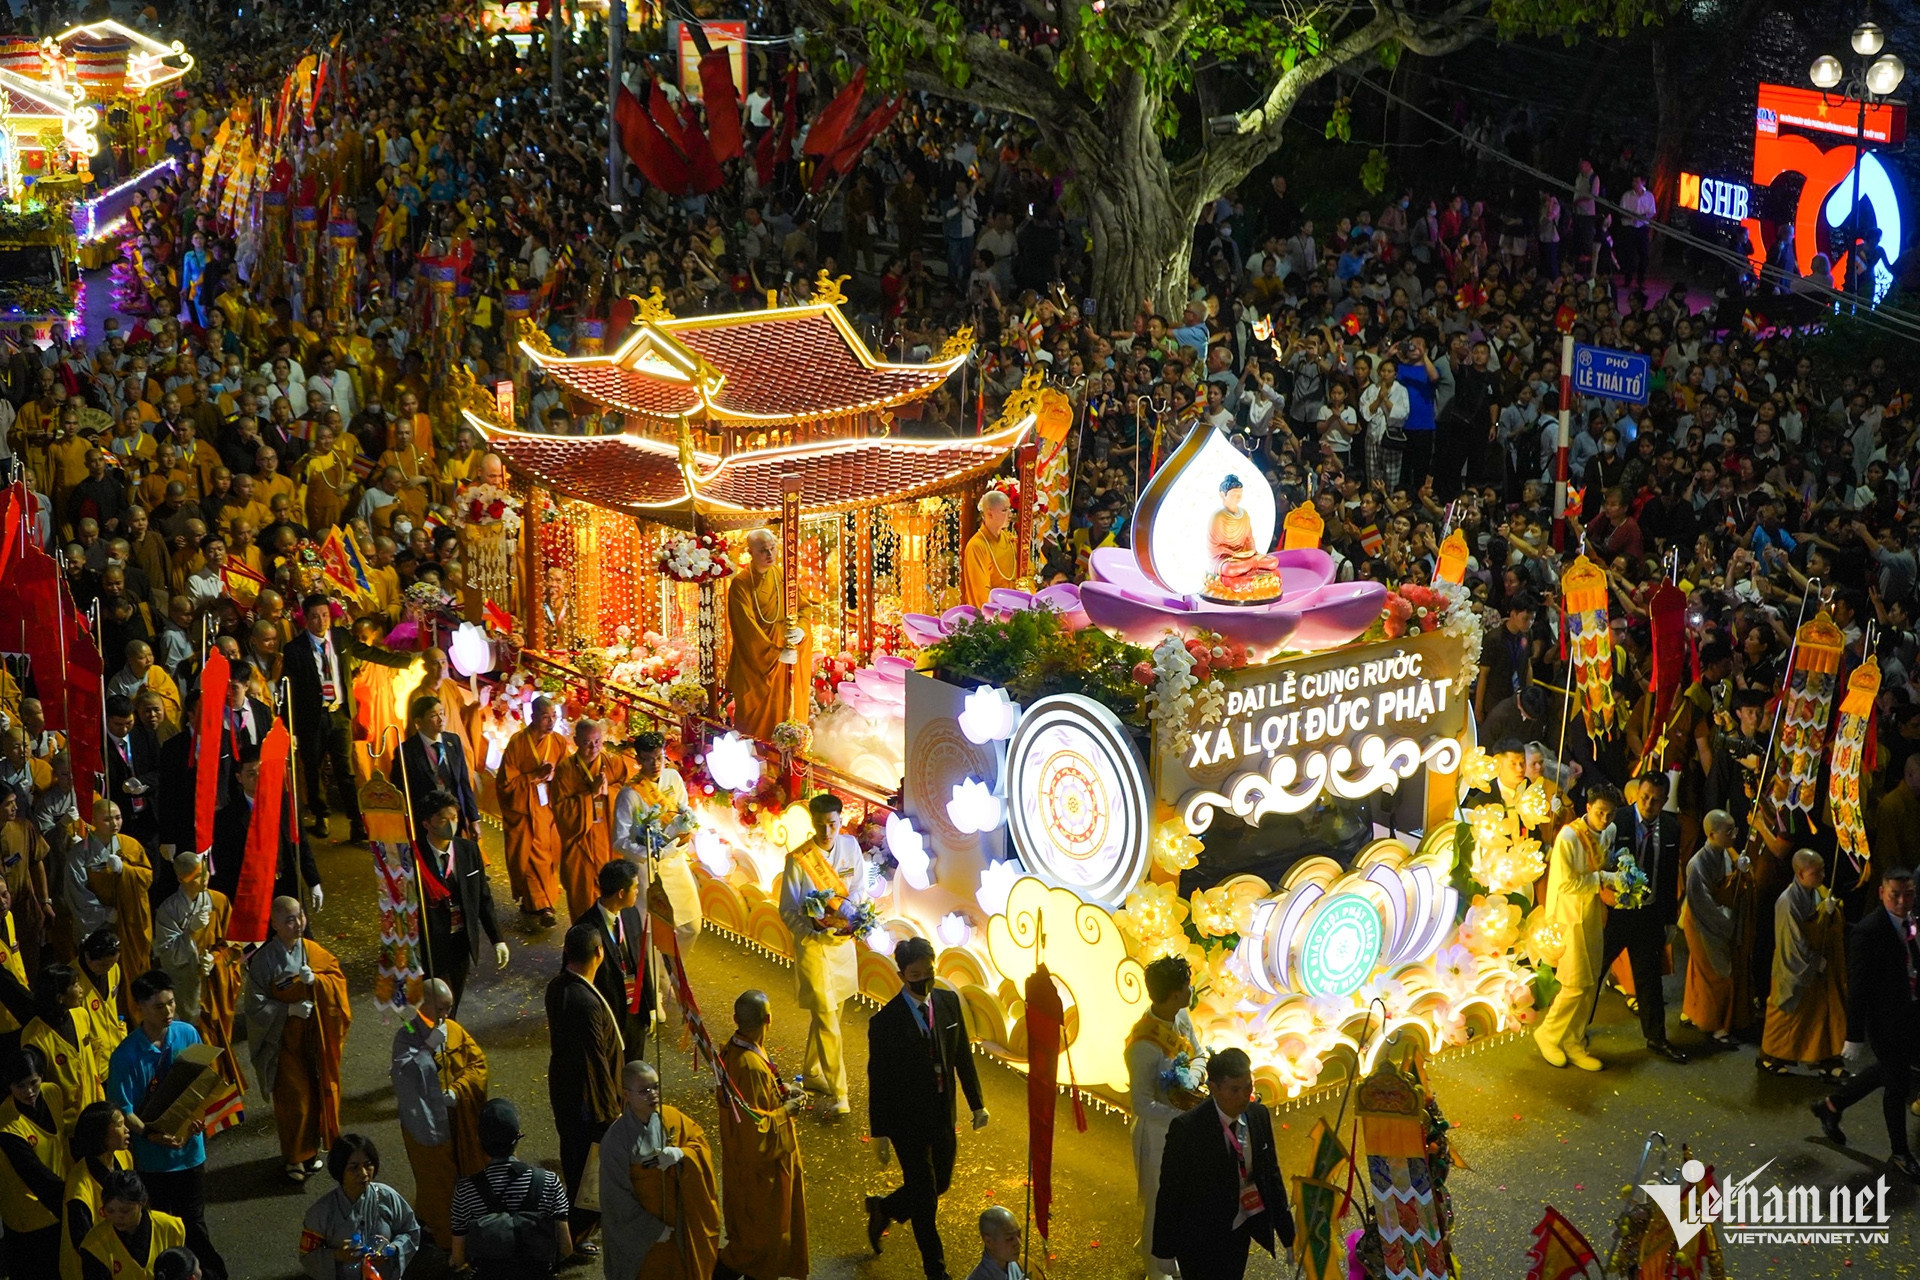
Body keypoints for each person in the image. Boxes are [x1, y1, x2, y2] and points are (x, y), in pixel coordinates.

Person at [865, 936, 987, 1280]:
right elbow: (880, 1080)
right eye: (915, 974)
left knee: (940, 1183)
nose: (923, 980)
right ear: (903, 974)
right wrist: (881, 1133)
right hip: (907, 1124)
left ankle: (884, 1207)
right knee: (925, 1198)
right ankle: (936, 1272)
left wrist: (977, 1104)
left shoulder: (948, 1003)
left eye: (928, 971)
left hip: (942, 1116)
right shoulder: (885, 1023)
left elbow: (962, 1055)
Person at [104, 971, 223, 1280]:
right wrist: (152, 1135)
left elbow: (200, 1083)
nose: (169, 1012)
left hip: (190, 1154)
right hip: (154, 1162)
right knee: (162, 1226)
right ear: (140, 1007)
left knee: (194, 1224)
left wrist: (197, 1117)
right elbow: (123, 1110)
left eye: (171, 1003)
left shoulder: (187, 1034)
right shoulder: (125, 1057)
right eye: (159, 1006)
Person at [1811, 867, 1920, 1178]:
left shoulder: (1910, 921)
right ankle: (1900, 1152)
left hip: (1910, 1012)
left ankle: (1831, 1105)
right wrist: (1854, 1035)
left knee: (1886, 1071)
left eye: (1908, 894)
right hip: (1885, 1019)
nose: (1902, 901)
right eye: (1895, 895)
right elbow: (1857, 987)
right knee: (1897, 1085)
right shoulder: (1868, 931)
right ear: (1881, 893)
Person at [1150, 1047, 1292, 1280]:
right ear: (1214, 1087)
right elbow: (1170, 1192)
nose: (1244, 1096)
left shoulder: (1258, 1116)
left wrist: (1288, 1234)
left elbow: (1270, 1175)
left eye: (1248, 1087)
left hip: (1240, 1229)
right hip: (1199, 1238)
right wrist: (1164, 1250)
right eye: (1234, 1090)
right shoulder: (1188, 1129)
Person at [283, 593, 413, 843]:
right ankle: (322, 816)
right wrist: (291, 726)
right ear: (305, 620)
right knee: (313, 768)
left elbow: (370, 653)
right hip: (313, 717)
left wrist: (405, 662)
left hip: (340, 714)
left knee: (346, 770)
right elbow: (290, 689)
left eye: (324, 615)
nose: (321, 621)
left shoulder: (341, 637)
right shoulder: (295, 649)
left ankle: (357, 822)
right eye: (314, 617)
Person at [244, 896, 352, 1182]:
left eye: (300, 916)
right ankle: (293, 1157)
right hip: (283, 1043)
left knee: (317, 1096)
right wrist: (287, 1009)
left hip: (314, 1039)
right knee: (296, 1102)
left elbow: (337, 979)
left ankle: (310, 1152)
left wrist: (317, 981)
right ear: (275, 924)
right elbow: (254, 1006)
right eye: (289, 919)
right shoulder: (264, 961)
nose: (298, 924)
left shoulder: (313, 951)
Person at [780, 792, 870, 1115]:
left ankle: (813, 1071)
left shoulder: (850, 847)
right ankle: (840, 1093)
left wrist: (846, 909)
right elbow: (787, 909)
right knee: (828, 1017)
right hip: (814, 948)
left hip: (842, 945)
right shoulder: (798, 860)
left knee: (830, 1012)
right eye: (820, 826)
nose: (827, 833)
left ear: (840, 820)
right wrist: (811, 930)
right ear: (812, 824)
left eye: (832, 825)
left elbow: (859, 887)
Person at [713, 989, 808, 1280]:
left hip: (744, 1166)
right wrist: (786, 1112)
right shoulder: (749, 1066)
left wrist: (781, 1092)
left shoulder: (735, 1050)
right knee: (755, 1246)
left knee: (755, 1243)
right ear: (769, 1019)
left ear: (735, 1019)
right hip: (759, 1175)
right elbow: (754, 1130)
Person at [390, 977, 489, 1251]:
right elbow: (403, 1075)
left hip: (459, 1120)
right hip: (427, 1125)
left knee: (466, 1178)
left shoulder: (453, 1029)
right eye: (442, 1008)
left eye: (449, 1008)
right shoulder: (408, 1030)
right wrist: (428, 1049)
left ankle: (463, 1229)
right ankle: (448, 1242)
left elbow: (477, 1063)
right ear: (425, 1004)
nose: (446, 1015)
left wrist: (458, 1091)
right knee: (439, 1186)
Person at [599, 1059, 720, 1280]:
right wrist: (652, 1231)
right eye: (644, 1091)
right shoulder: (616, 1140)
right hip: (644, 1236)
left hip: (679, 1225)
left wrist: (682, 1155)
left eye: (655, 1087)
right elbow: (615, 1198)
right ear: (626, 1094)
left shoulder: (671, 1117)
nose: (653, 1095)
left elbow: (699, 1144)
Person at [1598, 772, 1689, 1063]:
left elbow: (1668, 875)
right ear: (1637, 792)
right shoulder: (1619, 820)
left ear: (1664, 801)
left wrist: (1669, 919)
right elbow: (1599, 861)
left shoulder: (1672, 828)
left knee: (1650, 979)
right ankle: (1573, 1031)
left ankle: (1656, 1038)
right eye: (1645, 796)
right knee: (1594, 970)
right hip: (1617, 912)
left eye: (1656, 800)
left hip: (1648, 913)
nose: (1649, 803)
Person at [546, 921, 623, 1245]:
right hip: (587, 1101)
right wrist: (610, 1113)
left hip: (565, 1089)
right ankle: (574, 1237)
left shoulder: (558, 987)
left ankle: (577, 1230)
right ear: (599, 953)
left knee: (575, 1161)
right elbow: (595, 1061)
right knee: (587, 1172)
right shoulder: (586, 1001)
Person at [1535, 785, 1619, 1071]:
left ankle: (1574, 1039)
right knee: (1574, 983)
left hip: (1594, 911)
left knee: (1592, 981)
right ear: (1588, 807)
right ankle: (1548, 1033)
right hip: (1569, 916)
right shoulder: (1569, 837)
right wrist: (1604, 878)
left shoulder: (1610, 831)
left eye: (1610, 814)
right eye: (1600, 813)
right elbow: (1565, 884)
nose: (1604, 820)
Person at [151, 853, 245, 1105]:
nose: (204, 880)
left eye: (205, 873)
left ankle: (221, 1104)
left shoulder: (218, 901)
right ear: (182, 878)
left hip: (215, 986)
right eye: (197, 876)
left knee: (218, 1040)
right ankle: (200, 1104)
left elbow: (233, 946)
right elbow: (168, 955)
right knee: (196, 1043)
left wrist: (214, 960)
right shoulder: (169, 911)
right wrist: (189, 933)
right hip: (187, 989)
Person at [1127, 955, 1198, 1280]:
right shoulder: (1142, 1045)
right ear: (1172, 994)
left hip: (1182, 1125)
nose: (1190, 990)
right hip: (1157, 1134)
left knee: (1181, 1201)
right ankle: (1155, 1271)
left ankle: (1169, 1255)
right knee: (1158, 1205)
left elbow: (1197, 1054)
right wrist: (1181, 1116)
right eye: (1185, 986)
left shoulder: (1181, 1015)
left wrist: (1198, 1087)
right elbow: (1141, 1104)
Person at [410, 789, 508, 1014]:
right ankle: (436, 1040)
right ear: (427, 823)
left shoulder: (468, 850)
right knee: (437, 1002)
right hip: (431, 941)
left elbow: (483, 897)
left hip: (461, 940)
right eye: (443, 819)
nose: (451, 825)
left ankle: (447, 1035)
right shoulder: (414, 856)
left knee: (452, 1002)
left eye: (454, 818)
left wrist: (497, 939)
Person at [449, 1098, 571, 1280]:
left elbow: (459, 1259)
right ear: (519, 1136)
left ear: (479, 1140)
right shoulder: (549, 1182)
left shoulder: (466, 1190)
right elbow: (565, 1248)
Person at [613, 731, 700, 956]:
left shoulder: (673, 778)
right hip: (647, 869)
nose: (656, 764)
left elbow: (682, 809)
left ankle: (674, 972)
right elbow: (620, 841)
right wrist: (650, 852)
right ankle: (658, 985)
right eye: (649, 759)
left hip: (675, 861)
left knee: (691, 925)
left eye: (659, 757)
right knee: (650, 936)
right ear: (638, 759)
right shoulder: (629, 795)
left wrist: (685, 828)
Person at [1761, 850, 1848, 1075]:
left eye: (1823, 870)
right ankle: (1770, 1056)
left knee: (1821, 1015)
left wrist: (1831, 911)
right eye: (1816, 872)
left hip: (1817, 964)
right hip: (1795, 966)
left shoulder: (1819, 892)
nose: (1822, 875)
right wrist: (1812, 962)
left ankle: (1825, 1060)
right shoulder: (1787, 902)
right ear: (1800, 873)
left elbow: (1824, 923)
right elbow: (1792, 943)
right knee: (1786, 1013)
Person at [295, 1134, 421, 1280]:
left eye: (368, 1165)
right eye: (353, 1168)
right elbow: (307, 1257)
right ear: (339, 1169)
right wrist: (337, 1255)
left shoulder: (387, 1196)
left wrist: (393, 1249)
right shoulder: (322, 1211)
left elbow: (410, 1231)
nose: (363, 1173)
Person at [725, 529, 807, 741]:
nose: (770, 554)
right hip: (756, 665)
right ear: (750, 552)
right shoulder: (741, 584)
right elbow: (745, 630)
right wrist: (774, 654)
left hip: (786, 660)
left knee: (787, 711)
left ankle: (786, 761)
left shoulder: (783, 576)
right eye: (763, 550)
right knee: (755, 728)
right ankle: (757, 765)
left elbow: (804, 609)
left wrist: (802, 630)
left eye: (773, 548)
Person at [1680, 810, 1753, 1047]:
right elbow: (1702, 902)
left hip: (1717, 917)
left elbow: (1729, 885)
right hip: (1704, 922)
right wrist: (1726, 921)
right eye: (1728, 831)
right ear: (1711, 834)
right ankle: (1714, 1025)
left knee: (1700, 969)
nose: (1733, 835)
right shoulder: (1697, 864)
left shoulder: (1724, 854)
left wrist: (1740, 874)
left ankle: (1693, 1012)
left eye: (1734, 830)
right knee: (1716, 973)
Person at [495, 695, 569, 926]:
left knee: (549, 852)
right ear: (533, 716)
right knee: (529, 854)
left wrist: (554, 776)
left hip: (548, 808)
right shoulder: (517, 743)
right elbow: (505, 784)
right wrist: (533, 777)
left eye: (554, 716)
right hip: (524, 810)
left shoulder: (558, 742)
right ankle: (542, 905)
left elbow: (567, 774)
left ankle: (539, 900)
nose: (551, 722)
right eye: (546, 717)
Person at [67, 798, 153, 991]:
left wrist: (125, 869)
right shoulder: (80, 853)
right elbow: (76, 891)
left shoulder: (130, 845)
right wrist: (104, 913)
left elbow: (147, 878)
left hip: (129, 921)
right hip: (100, 925)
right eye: (107, 819)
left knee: (134, 973)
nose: (115, 823)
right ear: (93, 821)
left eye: (118, 817)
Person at [554, 719, 634, 922]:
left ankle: (614, 943)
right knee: (583, 900)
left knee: (614, 898)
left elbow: (630, 795)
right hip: (580, 843)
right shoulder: (565, 769)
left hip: (608, 839)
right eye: (588, 742)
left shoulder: (613, 763)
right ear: (576, 741)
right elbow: (561, 811)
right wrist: (589, 795)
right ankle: (585, 944)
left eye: (598, 741)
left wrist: (609, 792)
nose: (594, 747)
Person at [0, 1045, 70, 1278]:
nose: (29, 1091)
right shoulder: (6, 1124)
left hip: (58, 1204)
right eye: (20, 1086)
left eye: (34, 1082)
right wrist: (73, 1198)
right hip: (27, 1216)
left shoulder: (52, 1093)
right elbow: (34, 1174)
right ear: (9, 1085)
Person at [583, 858, 652, 1063]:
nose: (638, 892)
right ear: (621, 893)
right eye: (635, 887)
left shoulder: (630, 914)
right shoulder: (587, 927)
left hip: (635, 1011)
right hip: (609, 1015)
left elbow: (641, 960)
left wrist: (651, 1007)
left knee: (634, 1068)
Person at [61, 1102, 135, 1280]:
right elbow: (84, 1245)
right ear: (100, 1135)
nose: (127, 1130)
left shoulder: (123, 1156)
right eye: (119, 1125)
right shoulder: (79, 1188)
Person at [23, 964, 103, 1127]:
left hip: (93, 1115)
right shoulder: (34, 1036)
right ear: (60, 997)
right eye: (75, 985)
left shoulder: (81, 1015)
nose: (81, 990)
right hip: (65, 1126)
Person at [392, 697, 480, 841]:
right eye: (433, 715)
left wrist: (474, 819)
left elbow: (463, 782)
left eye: (442, 713)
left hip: (454, 815)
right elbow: (401, 792)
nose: (441, 719)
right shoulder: (406, 751)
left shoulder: (453, 741)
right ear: (418, 722)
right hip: (427, 822)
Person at [78, 1170, 185, 1280]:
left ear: (142, 1202)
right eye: (110, 1211)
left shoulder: (171, 1227)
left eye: (125, 1211)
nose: (117, 1217)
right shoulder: (95, 1244)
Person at [1202, 475, 1281, 602]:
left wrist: (1250, 552)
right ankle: (1252, 564)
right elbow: (1214, 546)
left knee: (1273, 561)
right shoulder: (1217, 517)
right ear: (1223, 495)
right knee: (1230, 569)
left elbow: (1249, 539)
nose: (1238, 498)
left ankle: (1251, 563)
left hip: (1244, 557)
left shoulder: (1243, 514)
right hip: (1225, 558)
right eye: (1234, 495)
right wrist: (1233, 554)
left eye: (1240, 494)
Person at [961, 490, 1017, 608]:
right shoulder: (976, 546)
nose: (1010, 514)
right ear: (990, 514)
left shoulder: (1010, 540)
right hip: (995, 614)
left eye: (1009, 509)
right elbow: (980, 592)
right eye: (1004, 510)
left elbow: (1028, 571)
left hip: (1016, 608)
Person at [962, 1206, 1024, 1280]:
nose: (1019, 1243)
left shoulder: (1019, 1262)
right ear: (989, 1242)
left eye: (1019, 1235)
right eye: (1010, 1239)